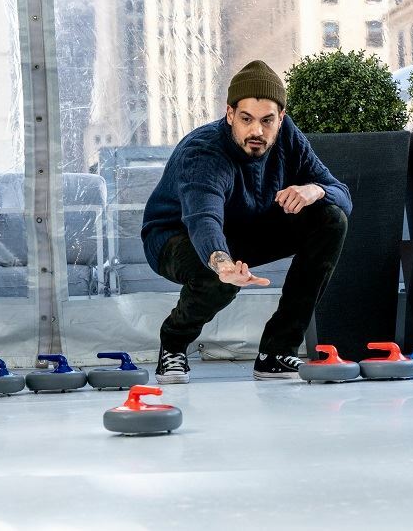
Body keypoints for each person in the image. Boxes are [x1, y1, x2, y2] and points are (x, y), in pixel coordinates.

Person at [142, 60, 352, 384]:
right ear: (230, 115)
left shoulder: (288, 138)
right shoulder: (204, 152)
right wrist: (222, 264)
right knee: (217, 279)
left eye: (267, 121)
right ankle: (173, 342)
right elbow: (204, 218)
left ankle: (276, 351)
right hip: (177, 236)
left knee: (330, 218)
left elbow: (343, 195)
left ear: (280, 118)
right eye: (246, 119)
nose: (257, 131)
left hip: (244, 227)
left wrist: (314, 190)